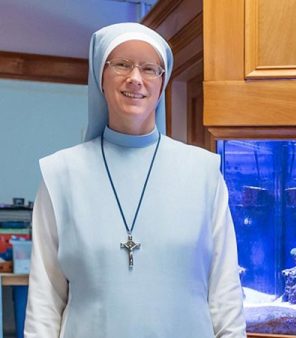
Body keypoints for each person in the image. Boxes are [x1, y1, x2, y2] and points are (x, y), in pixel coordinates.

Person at [24, 23, 246, 338]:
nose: (135, 78)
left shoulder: (204, 172)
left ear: (163, 82)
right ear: (100, 76)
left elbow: (224, 291)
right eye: (122, 65)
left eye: (149, 68)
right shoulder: (59, 174)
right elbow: (45, 299)